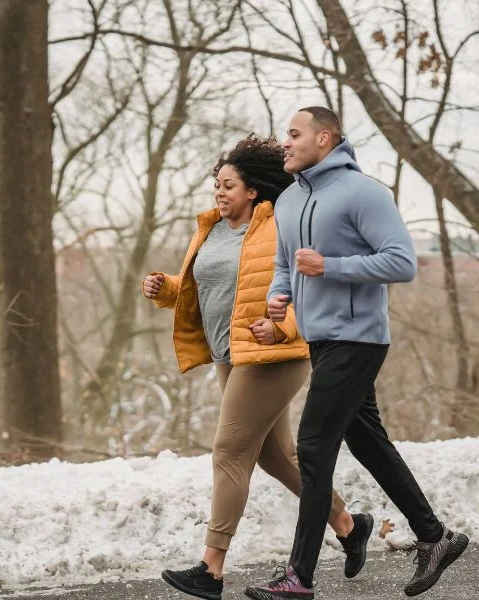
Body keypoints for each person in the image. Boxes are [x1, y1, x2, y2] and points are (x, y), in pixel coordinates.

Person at [244, 108, 469, 600]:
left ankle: (299, 576)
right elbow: (286, 266)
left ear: (324, 139)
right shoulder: (288, 202)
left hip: (359, 336)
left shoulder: (363, 192)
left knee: (314, 445)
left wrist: (331, 266)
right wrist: (279, 299)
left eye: (295, 134)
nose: (286, 142)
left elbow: (402, 261)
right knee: (367, 443)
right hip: (319, 338)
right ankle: (435, 536)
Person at [143, 134, 375, 600]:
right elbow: (204, 285)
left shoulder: (277, 227)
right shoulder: (210, 228)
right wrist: (166, 288)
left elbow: (303, 288)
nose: (219, 193)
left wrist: (284, 329)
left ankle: (210, 569)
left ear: (252, 191)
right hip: (233, 355)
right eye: (217, 185)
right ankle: (349, 524)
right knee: (274, 456)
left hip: (274, 354)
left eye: (229, 185)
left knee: (229, 451)